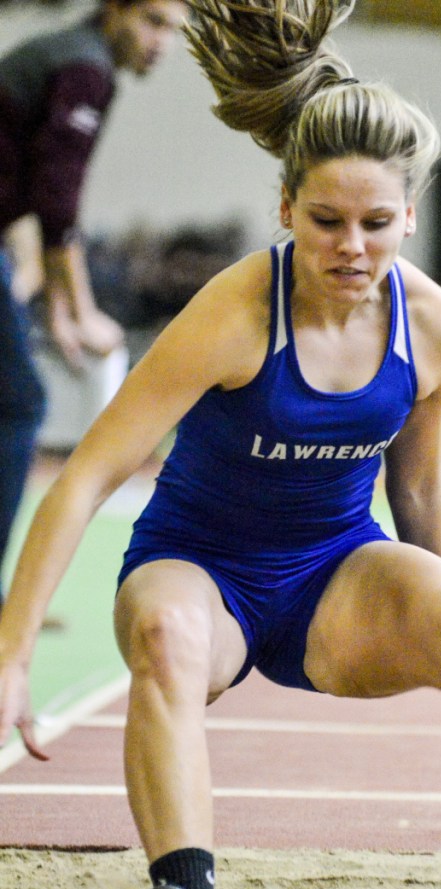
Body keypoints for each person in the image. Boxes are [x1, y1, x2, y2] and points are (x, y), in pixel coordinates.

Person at [0, 0, 441, 889]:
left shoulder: (433, 329)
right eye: (326, 220)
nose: (352, 248)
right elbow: (88, 474)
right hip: (198, 571)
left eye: (377, 224)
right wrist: (11, 655)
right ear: (284, 207)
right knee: (165, 638)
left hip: (331, 579)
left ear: (410, 217)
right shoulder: (233, 315)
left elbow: (419, 484)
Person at [0, 0, 189, 613]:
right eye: (152, 22)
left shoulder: (63, 55)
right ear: (115, 10)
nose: (161, 42)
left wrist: (54, 300)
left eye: (172, 32)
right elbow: (57, 202)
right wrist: (79, 309)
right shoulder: (84, 68)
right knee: (20, 403)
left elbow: (30, 191)